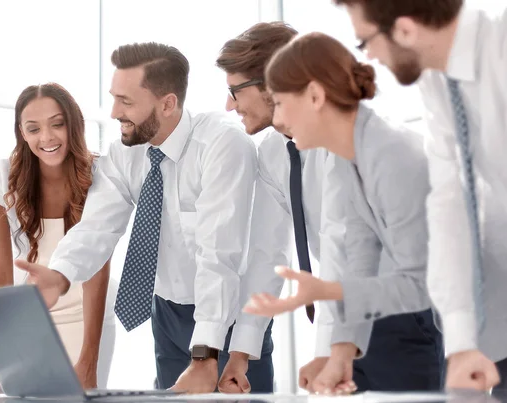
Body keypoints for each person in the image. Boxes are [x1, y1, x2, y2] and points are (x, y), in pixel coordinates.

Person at [14, 42, 270, 394]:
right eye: (115, 98)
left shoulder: (222, 146)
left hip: (228, 316)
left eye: (127, 102)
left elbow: (219, 255)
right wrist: (60, 275)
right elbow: (96, 227)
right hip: (166, 314)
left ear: (167, 103)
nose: (116, 111)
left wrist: (205, 355)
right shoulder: (125, 154)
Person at [243, 32, 443, 393]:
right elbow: (359, 260)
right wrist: (339, 353)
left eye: (282, 104)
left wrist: (326, 290)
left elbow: (419, 286)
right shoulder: (349, 159)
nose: (280, 120)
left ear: (316, 97)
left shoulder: (392, 154)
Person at [331, 0, 507, 392]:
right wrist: (461, 343)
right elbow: (449, 207)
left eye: (365, 42)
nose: (369, 57)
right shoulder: (439, 83)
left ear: (406, 29)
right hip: (496, 324)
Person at [215, 21, 343, 393]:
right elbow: (266, 255)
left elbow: (342, 252)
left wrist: (327, 351)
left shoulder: (340, 139)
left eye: (235, 91)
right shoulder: (273, 152)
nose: (229, 105)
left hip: (399, 314)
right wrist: (240, 353)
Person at [0, 83, 116, 390]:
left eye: (57, 124)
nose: (47, 137)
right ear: (22, 133)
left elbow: (97, 270)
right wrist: (7, 355)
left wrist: (89, 360)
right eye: (34, 128)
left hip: (88, 318)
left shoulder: (102, 175)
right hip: (30, 318)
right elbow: (1, 275)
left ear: (74, 124)